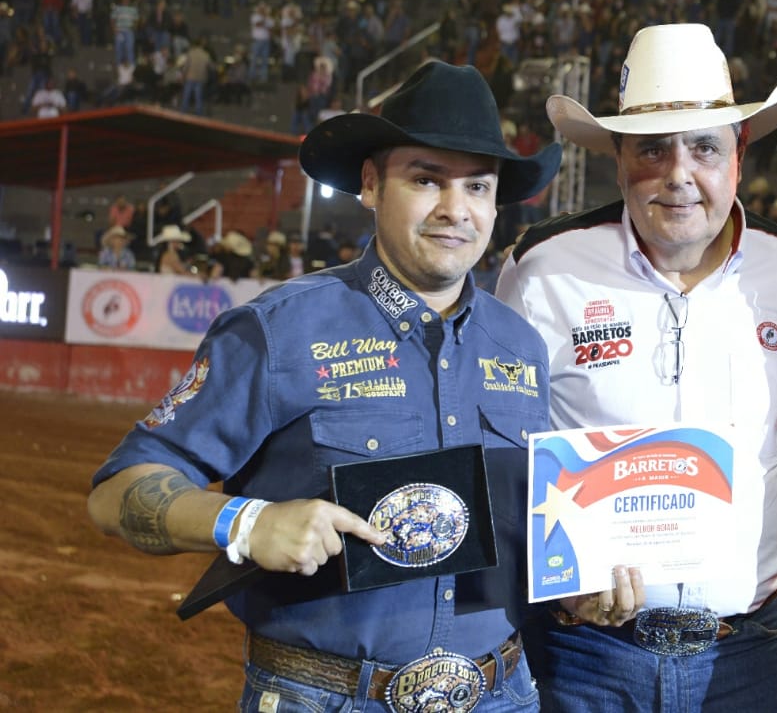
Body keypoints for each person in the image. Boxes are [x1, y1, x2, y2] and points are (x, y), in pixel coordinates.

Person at [87, 60, 562, 711]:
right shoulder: (278, 331)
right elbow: (118, 494)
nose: (456, 210)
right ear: (371, 185)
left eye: (478, 186)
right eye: (427, 179)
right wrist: (249, 523)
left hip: (501, 692)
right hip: (326, 696)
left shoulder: (523, 347)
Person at [496, 23, 777, 712]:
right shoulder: (545, 269)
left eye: (703, 146)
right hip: (583, 651)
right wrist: (554, 570)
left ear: (739, 153)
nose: (679, 174)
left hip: (746, 655)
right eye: (652, 149)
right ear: (618, 157)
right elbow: (505, 439)